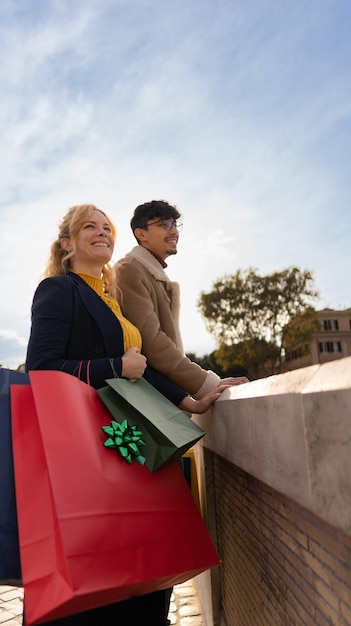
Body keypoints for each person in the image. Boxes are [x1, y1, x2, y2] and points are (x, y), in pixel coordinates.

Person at [24, 204, 227, 626]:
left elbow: (142, 365)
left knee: (148, 558)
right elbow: (41, 368)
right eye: (89, 228)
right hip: (94, 445)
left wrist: (189, 400)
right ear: (67, 243)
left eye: (106, 227)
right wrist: (115, 367)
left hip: (131, 437)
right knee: (102, 557)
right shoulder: (59, 289)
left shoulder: (108, 296)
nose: (102, 233)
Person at [115, 200, 249, 398]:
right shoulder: (129, 270)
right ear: (141, 234)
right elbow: (152, 344)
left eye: (175, 225)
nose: (174, 232)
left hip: (166, 396)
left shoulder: (151, 274)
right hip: (150, 399)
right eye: (164, 225)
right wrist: (208, 383)